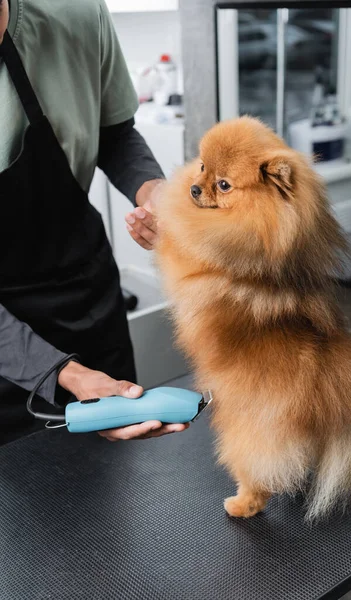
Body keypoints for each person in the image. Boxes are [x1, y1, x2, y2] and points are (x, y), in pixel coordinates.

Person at [0, 0, 188, 444]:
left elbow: (115, 132)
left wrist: (157, 195)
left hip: (87, 298)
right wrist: (69, 376)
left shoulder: (76, 11)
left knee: (111, 492)